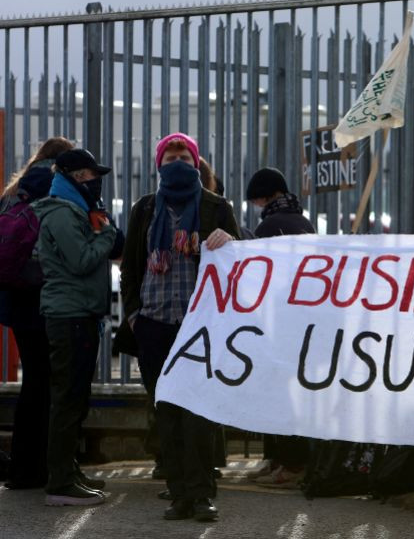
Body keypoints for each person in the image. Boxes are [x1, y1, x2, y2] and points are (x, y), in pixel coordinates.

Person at [117, 132, 240, 522]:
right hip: (154, 324)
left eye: (184, 157)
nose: (177, 162)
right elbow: (130, 268)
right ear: (159, 164)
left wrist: (229, 239)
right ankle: (179, 493)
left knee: (199, 414)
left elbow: (240, 263)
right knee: (166, 414)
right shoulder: (144, 209)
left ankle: (202, 494)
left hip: (199, 327)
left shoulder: (216, 206)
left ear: (196, 162)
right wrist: (135, 317)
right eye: (170, 157)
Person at [33, 148, 117, 506]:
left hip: (80, 313)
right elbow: (81, 260)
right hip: (69, 316)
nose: (94, 181)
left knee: (75, 399)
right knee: (67, 400)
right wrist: (107, 235)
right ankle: (60, 483)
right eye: (90, 175)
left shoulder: (77, 209)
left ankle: (68, 471)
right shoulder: (62, 214)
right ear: (75, 177)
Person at [0, 137, 73, 490]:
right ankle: (42, 467)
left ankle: (21, 469)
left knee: (32, 382)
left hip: (17, 298)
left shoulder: (14, 191)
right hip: (48, 296)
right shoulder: (57, 186)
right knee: (51, 384)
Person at [243, 167, 314, 486]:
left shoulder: (269, 226)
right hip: (303, 320)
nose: (255, 205)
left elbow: (258, 275)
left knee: (277, 394)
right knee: (294, 392)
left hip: (278, 321)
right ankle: (284, 460)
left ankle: (288, 463)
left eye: (256, 199)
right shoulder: (304, 222)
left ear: (266, 196)